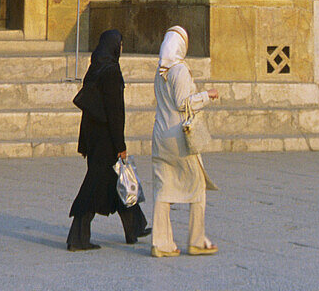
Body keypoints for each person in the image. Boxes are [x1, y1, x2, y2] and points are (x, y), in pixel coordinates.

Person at [67, 28, 150, 251]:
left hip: (94, 139)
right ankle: (77, 237)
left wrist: (84, 143)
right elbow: (115, 113)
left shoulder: (95, 69)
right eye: (120, 45)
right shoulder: (111, 72)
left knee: (118, 180)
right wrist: (120, 145)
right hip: (106, 140)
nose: (121, 49)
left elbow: (88, 112)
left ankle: (135, 226)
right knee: (94, 185)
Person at [151, 25, 219, 257]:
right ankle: (197, 240)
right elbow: (183, 103)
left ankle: (161, 243)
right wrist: (207, 96)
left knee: (163, 189)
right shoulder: (178, 70)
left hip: (160, 135)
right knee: (198, 185)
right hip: (179, 137)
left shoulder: (161, 72)